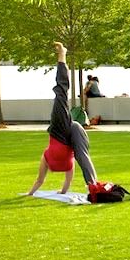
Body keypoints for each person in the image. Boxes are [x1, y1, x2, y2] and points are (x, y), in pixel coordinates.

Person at [28, 42, 98, 195]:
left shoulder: (51, 160)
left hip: (62, 130)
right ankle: (93, 185)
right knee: (61, 93)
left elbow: (40, 181)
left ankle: (62, 55)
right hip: (70, 131)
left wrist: (30, 193)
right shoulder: (66, 164)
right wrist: (62, 191)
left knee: (61, 92)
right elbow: (66, 183)